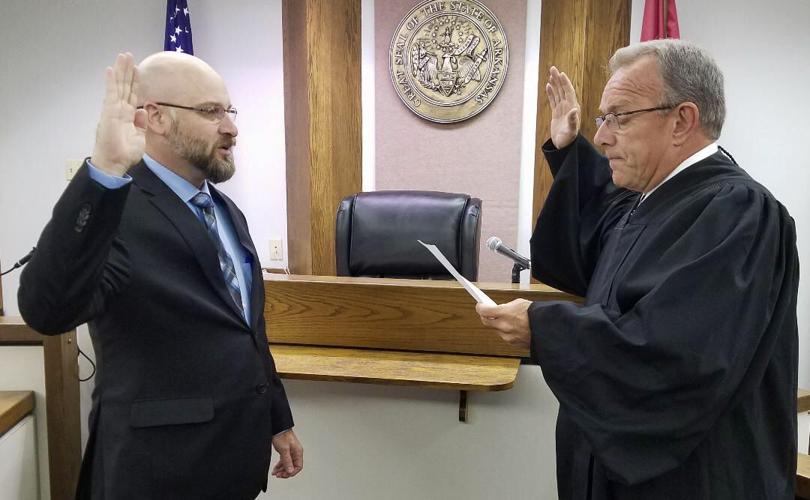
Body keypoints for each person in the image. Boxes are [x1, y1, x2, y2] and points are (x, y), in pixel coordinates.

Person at [476, 39, 799, 499]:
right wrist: (570, 151)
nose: (604, 136)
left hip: (696, 479)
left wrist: (544, 329)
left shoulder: (738, 212)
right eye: (602, 120)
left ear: (682, 120)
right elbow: (594, 243)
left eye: (620, 118)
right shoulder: (654, 198)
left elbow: (679, 353)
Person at [18, 52, 303, 499]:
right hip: (157, 474)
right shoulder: (117, 209)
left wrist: (276, 418)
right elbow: (45, 309)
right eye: (210, 111)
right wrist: (105, 172)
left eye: (229, 111)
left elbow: (247, 331)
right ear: (156, 118)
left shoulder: (227, 212)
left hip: (233, 464)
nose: (231, 127)